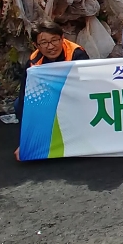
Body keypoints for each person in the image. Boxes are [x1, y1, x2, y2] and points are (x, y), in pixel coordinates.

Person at [14, 21, 89, 161]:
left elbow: (86, 88)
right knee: (19, 104)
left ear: (62, 39)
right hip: (49, 99)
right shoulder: (34, 62)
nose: (51, 46)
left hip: (74, 98)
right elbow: (26, 95)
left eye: (54, 40)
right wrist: (26, 143)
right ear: (36, 46)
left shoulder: (76, 54)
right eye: (44, 43)